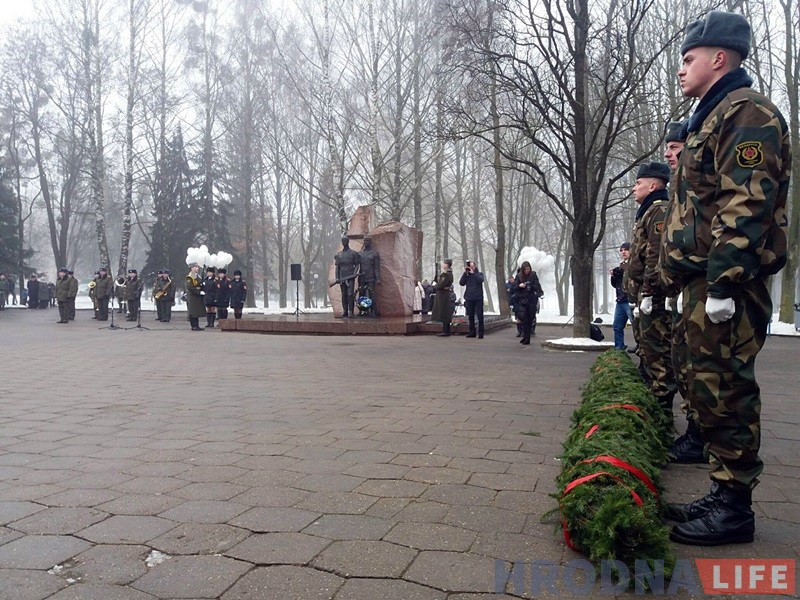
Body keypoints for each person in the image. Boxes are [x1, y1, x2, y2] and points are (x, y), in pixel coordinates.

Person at [660, 11, 790, 546]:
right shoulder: (711, 117)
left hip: (726, 284)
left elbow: (747, 204)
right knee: (706, 387)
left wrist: (723, 283)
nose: (681, 70)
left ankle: (736, 508)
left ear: (720, 58)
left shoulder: (747, 113)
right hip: (704, 280)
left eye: (688, 59)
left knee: (727, 389)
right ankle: (723, 492)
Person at [661, 121, 704, 465]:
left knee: (710, 374)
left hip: (710, 283)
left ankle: (730, 490)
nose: (668, 154)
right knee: (686, 364)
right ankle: (697, 434)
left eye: (675, 147)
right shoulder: (681, 182)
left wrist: (720, 284)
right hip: (688, 286)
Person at [627, 161, 677, 419]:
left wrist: (648, 290)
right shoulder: (647, 211)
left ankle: (661, 412)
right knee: (647, 349)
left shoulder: (658, 210)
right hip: (644, 295)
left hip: (654, 296)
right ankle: (653, 399)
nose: (634, 188)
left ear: (653, 185)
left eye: (638, 183)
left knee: (658, 351)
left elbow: (655, 255)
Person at [610, 243, 635, 350]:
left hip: (630, 300)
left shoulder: (634, 264)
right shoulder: (621, 266)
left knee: (636, 325)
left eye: (626, 250)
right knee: (617, 326)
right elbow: (616, 285)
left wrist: (623, 271)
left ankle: (641, 347)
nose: (623, 252)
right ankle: (619, 348)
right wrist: (614, 276)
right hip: (620, 300)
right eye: (621, 250)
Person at [514, 261, 544, 345]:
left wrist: (529, 285)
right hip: (522, 300)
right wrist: (520, 286)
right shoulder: (519, 276)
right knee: (524, 319)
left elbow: (537, 286)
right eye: (525, 269)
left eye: (528, 269)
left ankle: (527, 336)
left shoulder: (533, 275)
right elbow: (515, 287)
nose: (527, 271)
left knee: (530, 318)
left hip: (531, 299)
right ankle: (526, 337)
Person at [334, 236, 360, 318]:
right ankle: (345, 311)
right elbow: (337, 267)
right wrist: (337, 278)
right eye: (343, 241)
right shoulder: (339, 255)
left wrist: (355, 273)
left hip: (350, 277)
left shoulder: (353, 253)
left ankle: (351, 311)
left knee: (350, 294)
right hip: (342, 277)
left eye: (345, 241)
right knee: (344, 294)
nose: (344, 242)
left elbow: (357, 264)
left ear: (348, 242)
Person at [459, 261, 485, 339]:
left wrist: (473, 273)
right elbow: (461, 283)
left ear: (475, 266)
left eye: (472, 266)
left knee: (480, 316)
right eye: (469, 267)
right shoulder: (467, 275)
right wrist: (465, 273)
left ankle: (481, 333)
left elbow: (480, 280)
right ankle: (472, 332)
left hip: (478, 298)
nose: (470, 268)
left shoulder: (479, 274)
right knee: (470, 316)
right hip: (469, 298)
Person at [430, 259, 454, 336]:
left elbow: (441, 285)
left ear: (447, 265)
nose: (443, 264)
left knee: (444, 312)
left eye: (444, 263)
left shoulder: (446, 274)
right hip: (444, 294)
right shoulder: (447, 274)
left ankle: (446, 331)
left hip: (443, 295)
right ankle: (445, 330)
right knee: (444, 312)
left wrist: (434, 285)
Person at [185, 262, 206, 331]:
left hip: (196, 297)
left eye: (197, 267)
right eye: (195, 267)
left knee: (196, 311)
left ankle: (196, 325)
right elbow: (190, 286)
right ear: (192, 268)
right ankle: (194, 326)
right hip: (192, 296)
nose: (197, 268)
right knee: (193, 312)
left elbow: (199, 284)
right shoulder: (190, 277)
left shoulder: (197, 276)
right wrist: (199, 291)